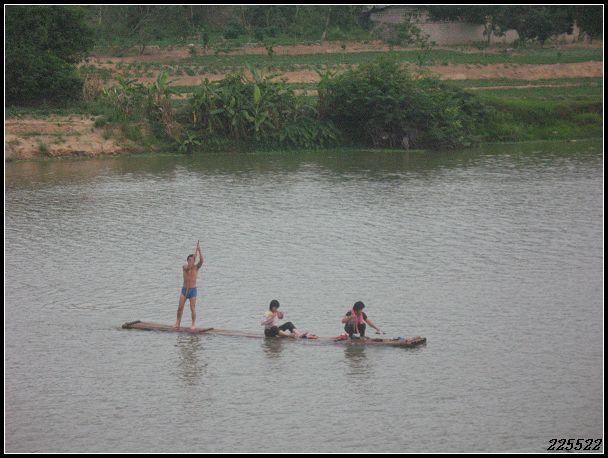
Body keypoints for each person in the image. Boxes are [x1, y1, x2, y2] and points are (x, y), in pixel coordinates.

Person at [174, 241, 204, 330]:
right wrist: (194, 257)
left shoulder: (196, 267)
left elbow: (202, 261)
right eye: (190, 260)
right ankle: (177, 323)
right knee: (180, 307)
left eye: (193, 260)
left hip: (192, 290)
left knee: (192, 308)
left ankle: (193, 324)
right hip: (184, 290)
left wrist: (199, 251)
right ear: (187, 260)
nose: (192, 261)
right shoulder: (184, 267)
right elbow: (189, 267)